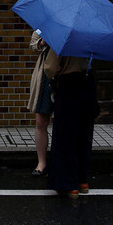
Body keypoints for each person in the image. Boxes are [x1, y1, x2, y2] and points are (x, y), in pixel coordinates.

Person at [45, 46, 99, 198]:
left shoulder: (62, 42)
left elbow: (51, 68)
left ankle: (68, 184)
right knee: (84, 135)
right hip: (88, 86)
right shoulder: (90, 40)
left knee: (66, 136)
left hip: (69, 86)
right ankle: (83, 181)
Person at [26, 30, 53, 177]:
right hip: (46, 76)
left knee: (65, 124)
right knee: (41, 120)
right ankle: (41, 163)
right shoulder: (44, 23)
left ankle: (61, 162)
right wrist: (44, 41)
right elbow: (33, 45)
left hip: (67, 75)